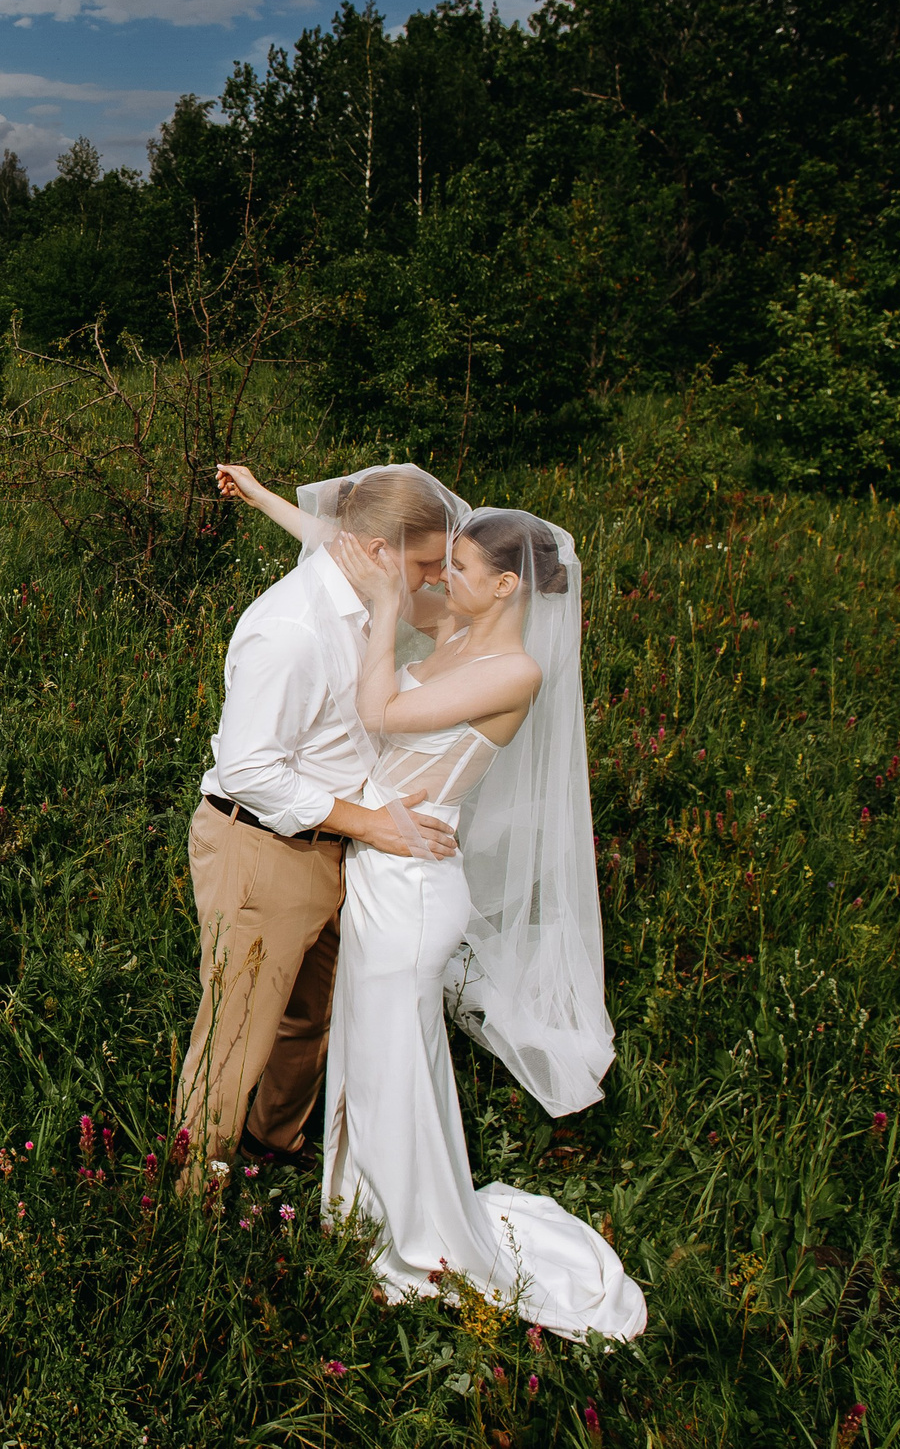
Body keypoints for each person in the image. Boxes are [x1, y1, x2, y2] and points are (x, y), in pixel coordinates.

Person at [227, 472, 644, 1340]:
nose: (432, 579)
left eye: (454, 567)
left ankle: (417, 1236)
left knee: (398, 1058)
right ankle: (363, 1202)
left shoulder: (514, 669)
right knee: (371, 1050)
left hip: (414, 883)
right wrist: (266, 500)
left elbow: (382, 704)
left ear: (505, 585)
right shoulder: (455, 627)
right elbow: (353, 551)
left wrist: (383, 610)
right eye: (436, 564)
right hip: (378, 858)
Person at [174, 463, 467, 1189]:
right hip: (261, 847)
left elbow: (320, 531)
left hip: (329, 848)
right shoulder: (292, 630)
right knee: (237, 1031)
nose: (434, 579)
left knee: (307, 1020)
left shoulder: (363, 583)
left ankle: (275, 1149)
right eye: (427, 564)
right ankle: (191, 1195)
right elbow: (249, 769)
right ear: (376, 551)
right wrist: (372, 823)